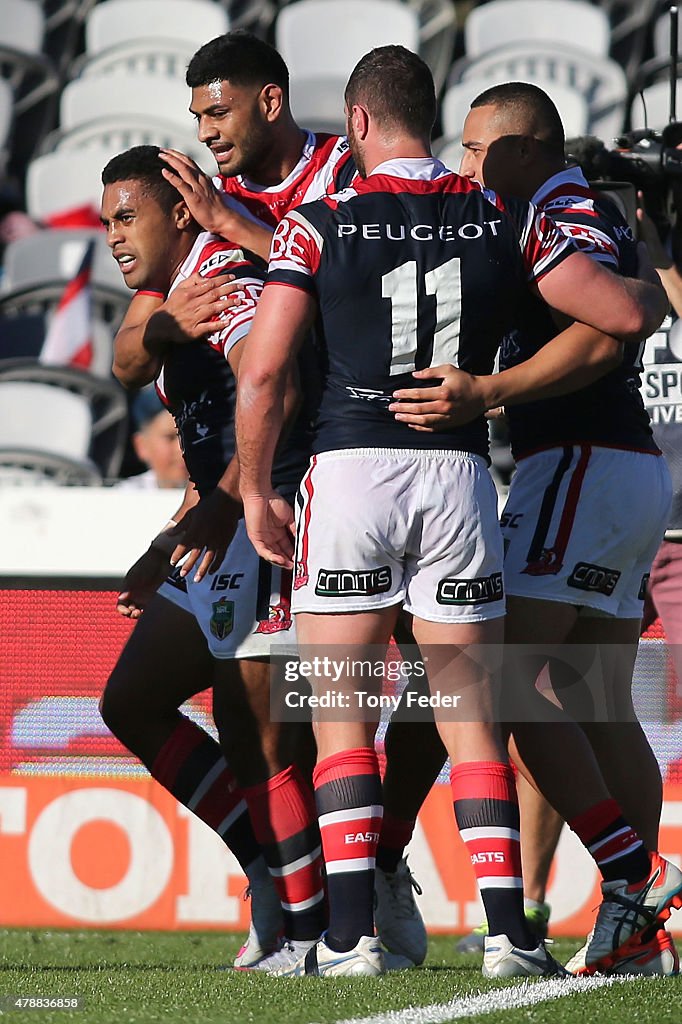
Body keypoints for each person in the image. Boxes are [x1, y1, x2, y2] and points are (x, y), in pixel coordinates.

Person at [233, 47, 672, 978]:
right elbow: (609, 312)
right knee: (488, 704)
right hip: (465, 477)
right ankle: (516, 932)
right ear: (432, 121)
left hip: (359, 467)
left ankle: (349, 934)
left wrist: (254, 481)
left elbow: (265, 367)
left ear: (355, 124)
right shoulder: (498, 218)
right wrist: (648, 290)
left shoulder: (324, 215)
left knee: (345, 709)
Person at [143, 31, 428, 969]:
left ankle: (368, 875)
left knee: (451, 688)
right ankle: (288, 890)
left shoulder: (347, 169)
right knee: (205, 708)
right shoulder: (202, 206)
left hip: (377, 461)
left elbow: (352, 294)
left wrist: (236, 227)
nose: (205, 130)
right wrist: (157, 324)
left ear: (270, 101)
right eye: (195, 116)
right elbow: (138, 341)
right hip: (256, 488)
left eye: (217, 110)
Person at [388, 81, 681, 976]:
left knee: (500, 680)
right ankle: (636, 924)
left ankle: (637, 876)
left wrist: (490, 392)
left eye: (477, 150)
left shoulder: (553, 208)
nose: (467, 165)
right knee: (596, 704)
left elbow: (624, 321)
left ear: (521, 149)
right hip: (621, 473)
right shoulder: (568, 206)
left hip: (581, 464)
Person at [98, 145, 327, 974]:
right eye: (107, 223)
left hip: (266, 515)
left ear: (180, 212)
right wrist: (177, 533)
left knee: (263, 737)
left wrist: (228, 507)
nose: (116, 239)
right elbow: (129, 359)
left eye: (129, 218)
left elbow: (276, 392)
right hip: (214, 520)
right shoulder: (173, 291)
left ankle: (311, 929)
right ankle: (273, 876)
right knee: (132, 700)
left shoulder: (226, 280)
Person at [116, 388, 189, 490]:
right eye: (170, 438)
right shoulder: (123, 498)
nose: (181, 449)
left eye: (190, 436)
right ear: (142, 445)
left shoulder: (217, 494)